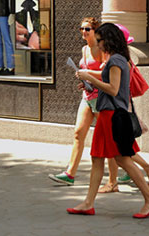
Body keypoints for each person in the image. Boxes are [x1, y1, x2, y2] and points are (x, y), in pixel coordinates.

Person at [68, 23, 149, 218]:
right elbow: (111, 88)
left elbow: (113, 89)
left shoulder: (116, 60)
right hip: (111, 113)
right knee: (99, 158)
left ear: (109, 40)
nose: (98, 44)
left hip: (112, 115)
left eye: (100, 40)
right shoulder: (119, 59)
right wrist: (90, 84)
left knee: (121, 159)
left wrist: (90, 79)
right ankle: (88, 203)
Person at [48, 17, 107, 186]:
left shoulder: (101, 49)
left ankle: (141, 167)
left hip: (101, 98)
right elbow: (86, 72)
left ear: (95, 31)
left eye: (87, 29)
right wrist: (84, 80)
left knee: (110, 138)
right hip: (87, 96)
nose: (84, 32)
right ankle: (70, 174)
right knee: (78, 134)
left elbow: (107, 74)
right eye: (81, 29)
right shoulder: (84, 50)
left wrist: (87, 73)